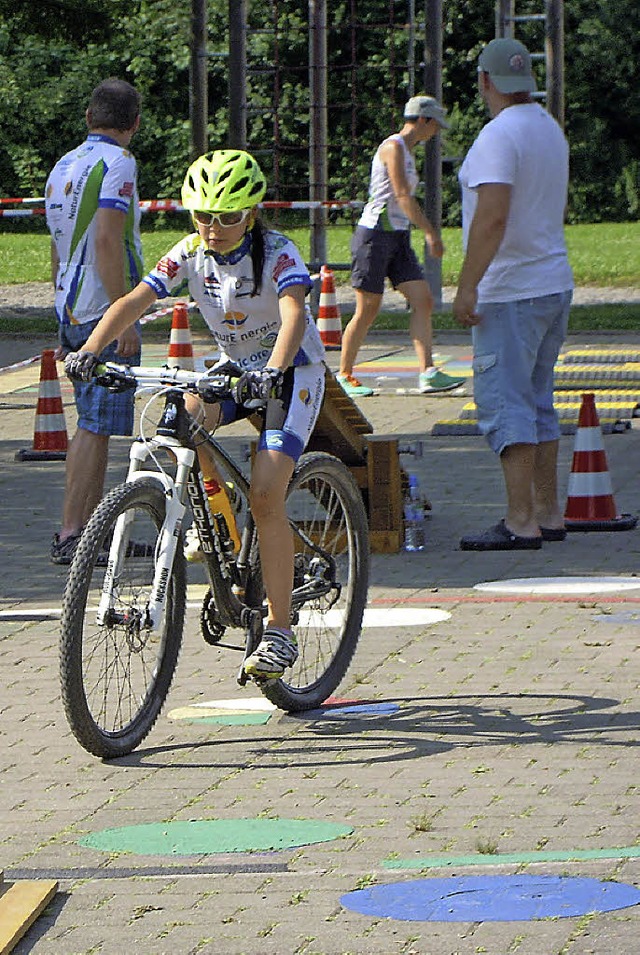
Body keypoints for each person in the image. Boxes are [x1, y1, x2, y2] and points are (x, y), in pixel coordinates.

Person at [64, 148, 326, 682]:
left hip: (290, 371)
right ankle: (220, 522)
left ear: (251, 213)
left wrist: (273, 369)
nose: (213, 228)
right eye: (203, 215)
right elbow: (135, 299)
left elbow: (294, 312)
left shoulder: (277, 253)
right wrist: (91, 351)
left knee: (268, 495)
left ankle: (278, 630)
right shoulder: (190, 251)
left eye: (228, 216)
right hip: (234, 368)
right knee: (177, 420)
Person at [453, 38, 574, 551]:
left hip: (510, 290)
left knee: (507, 406)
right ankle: (548, 512)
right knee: (539, 403)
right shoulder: (548, 129)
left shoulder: (497, 136)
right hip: (552, 282)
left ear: (485, 81)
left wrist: (466, 284)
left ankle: (520, 520)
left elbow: (493, 216)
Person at [46, 78, 143, 564]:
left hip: (71, 305)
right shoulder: (119, 163)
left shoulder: (63, 164)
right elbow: (107, 239)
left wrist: (61, 314)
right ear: (136, 124)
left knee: (92, 424)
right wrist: (123, 314)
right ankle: (75, 533)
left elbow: (57, 246)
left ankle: (85, 532)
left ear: (88, 117)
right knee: (95, 426)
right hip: (102, 311)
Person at [337, 95, 465, 398]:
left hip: (397, 235)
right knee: (367, 308)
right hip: (375, 234)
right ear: (423, 120)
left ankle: (428, 373)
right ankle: (344, 374)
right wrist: (431, 234)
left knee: (423, 300)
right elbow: (403, 196)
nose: (436, 131)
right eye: (435, 125)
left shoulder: (408, 151)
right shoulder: (393, 147)